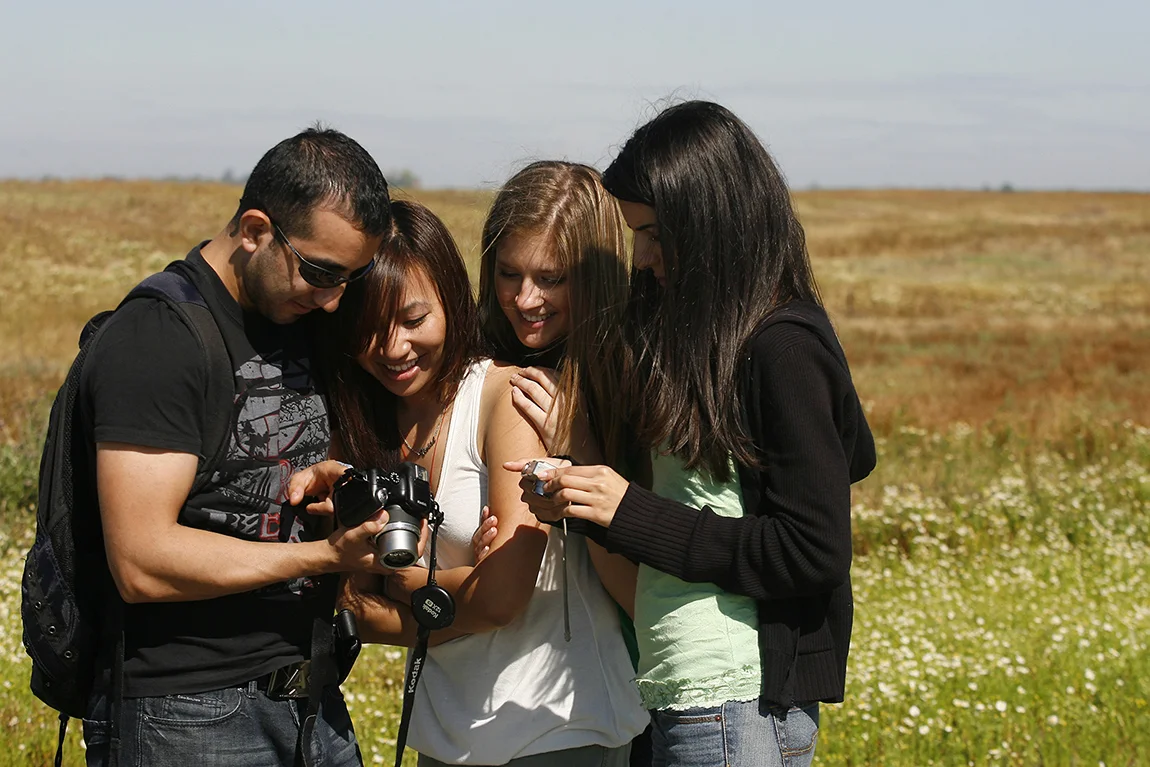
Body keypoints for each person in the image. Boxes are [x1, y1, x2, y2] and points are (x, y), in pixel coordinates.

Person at [508, 101, 877, 767]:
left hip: (736, 702)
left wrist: (631, 511)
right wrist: (588, 493)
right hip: (685, 692)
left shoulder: (782, 345)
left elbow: (813, 548)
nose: (642, 256)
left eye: (652, 232)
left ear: (710, 222)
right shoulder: (721, 342)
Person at [292, 200, 648, 766]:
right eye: (368, 330)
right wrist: (459, 585)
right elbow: (353, 606)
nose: (392, 350)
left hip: (557, 729)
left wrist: (403, 580)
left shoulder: (506, 397)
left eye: (414, 321)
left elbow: (501, 599)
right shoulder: (362, 423)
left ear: (454, 301)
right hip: (442, 733)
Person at [80, 127, 395, 766]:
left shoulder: (291, 317)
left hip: (310, 694)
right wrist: (322, 557)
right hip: (188, 710)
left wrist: (328, 488)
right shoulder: (158, 338)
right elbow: (142, 561)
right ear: (254, 230)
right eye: (321, 272)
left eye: (350, 280)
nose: (334, 301)